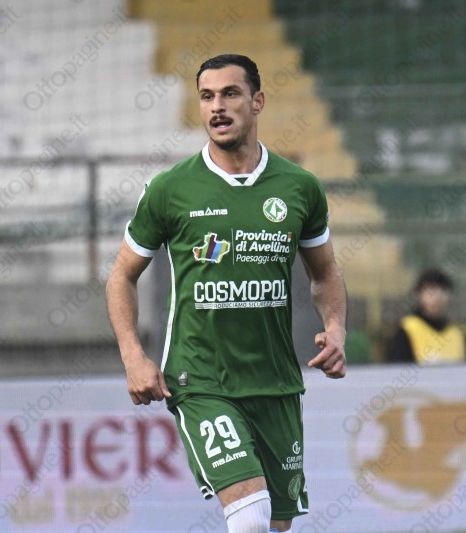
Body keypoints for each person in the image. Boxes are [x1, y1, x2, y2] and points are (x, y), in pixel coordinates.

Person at [105, 54, 347, 533]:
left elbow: (325, 273)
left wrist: (336, 328)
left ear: (257, 102)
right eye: (206, 96)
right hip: (202, 380)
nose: (217, 106)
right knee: (251, 517)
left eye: (230, 94)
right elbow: (120, 276)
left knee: (274, 525)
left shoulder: (299, 187)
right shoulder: (171, 189)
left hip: (276, 382)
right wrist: (133, 356)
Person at [387, 268, 466, 365]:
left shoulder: (455, 334)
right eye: (431, 291)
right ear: (419, 295)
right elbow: (397, 368)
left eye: (442, 291)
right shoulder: (408, 329)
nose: (437, 297)